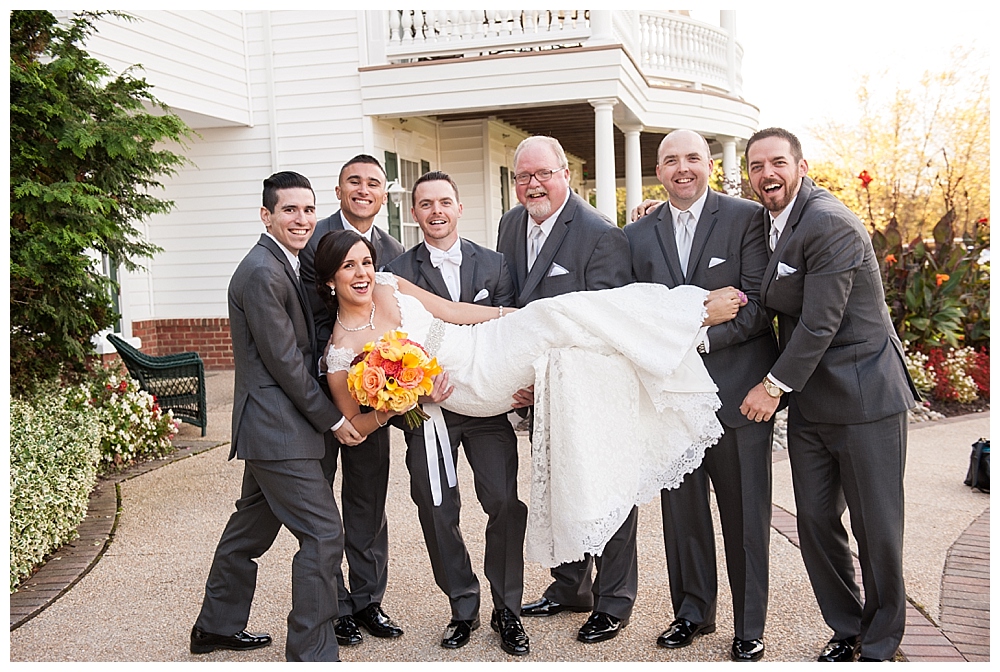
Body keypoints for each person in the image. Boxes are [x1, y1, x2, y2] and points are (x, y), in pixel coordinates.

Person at [738, 128, 918, 662]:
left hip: (865, 399)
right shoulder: (771, 222)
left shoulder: (829, 223)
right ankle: (847, 625)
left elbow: (820, 324)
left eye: (777, 163)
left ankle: (881, 641)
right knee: (816, 522)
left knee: (876, 528)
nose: (766, 174)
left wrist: (772, 386)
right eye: (756, 166)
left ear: (801, 165)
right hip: (814, 402)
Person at [191, 171, 363, 662]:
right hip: (277, 429)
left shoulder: (284, 263)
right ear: (266, 215)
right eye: (289, 210)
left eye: (308, 209)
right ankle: (311, 652)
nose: (302, 219)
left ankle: (216, 626)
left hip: (272, 427)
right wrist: (333, 419)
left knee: (250, 530)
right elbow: (284, 362)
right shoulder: (262, 272)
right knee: (323, 533)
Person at [624, 130, 778, 662]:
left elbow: (758, 305)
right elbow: (633, 315)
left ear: (709, 165)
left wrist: (699, 337)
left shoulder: (745, 219)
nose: (681, 168)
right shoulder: (638, 235)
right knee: (682, 516)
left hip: (737, 397)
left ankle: (749, 624)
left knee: (746, 518)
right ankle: (691, 613)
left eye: (692, 158)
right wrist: (689, 328)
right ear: (658, 170)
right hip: (671, 401)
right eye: (670, 161)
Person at [495, 135, 637, 645]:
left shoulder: (601, 235)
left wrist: (548, 378)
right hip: (539, 391)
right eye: (522, 176)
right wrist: (519, 375)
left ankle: (615, 599)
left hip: (591, 390)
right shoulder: (511, 224)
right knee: (555, 486)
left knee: (606, 491)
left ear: (565, 175)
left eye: (543, 174)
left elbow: (604, 327)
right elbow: (510, 305)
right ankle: (571, 586)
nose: (533, 184)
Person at [385, 171, 530, 656]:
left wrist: (520, 386)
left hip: (488, 410)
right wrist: (415, 390)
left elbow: (511, 335)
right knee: (435, 506)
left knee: (504, 504)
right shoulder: (396, 271)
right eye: (425, 203)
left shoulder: (494, 264)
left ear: (459, 207)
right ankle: (462, 606)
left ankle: (507, 608)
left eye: (444, 201)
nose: (436, 211)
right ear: (414, 212)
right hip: (427, 413)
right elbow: (387, 347)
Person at [298, 154, 406, 646]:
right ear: (339, 190)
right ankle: (335, 605)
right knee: (323, 513)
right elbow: (304, 318)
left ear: (383, 194)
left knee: (367, 504)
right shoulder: (310, 240)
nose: (364, 190)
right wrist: (332, 367)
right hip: (314, 397)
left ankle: (368, 601)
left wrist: (388, 386)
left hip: (374, 398)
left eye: (374, 183)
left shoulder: (392, 250)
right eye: (353, 182)